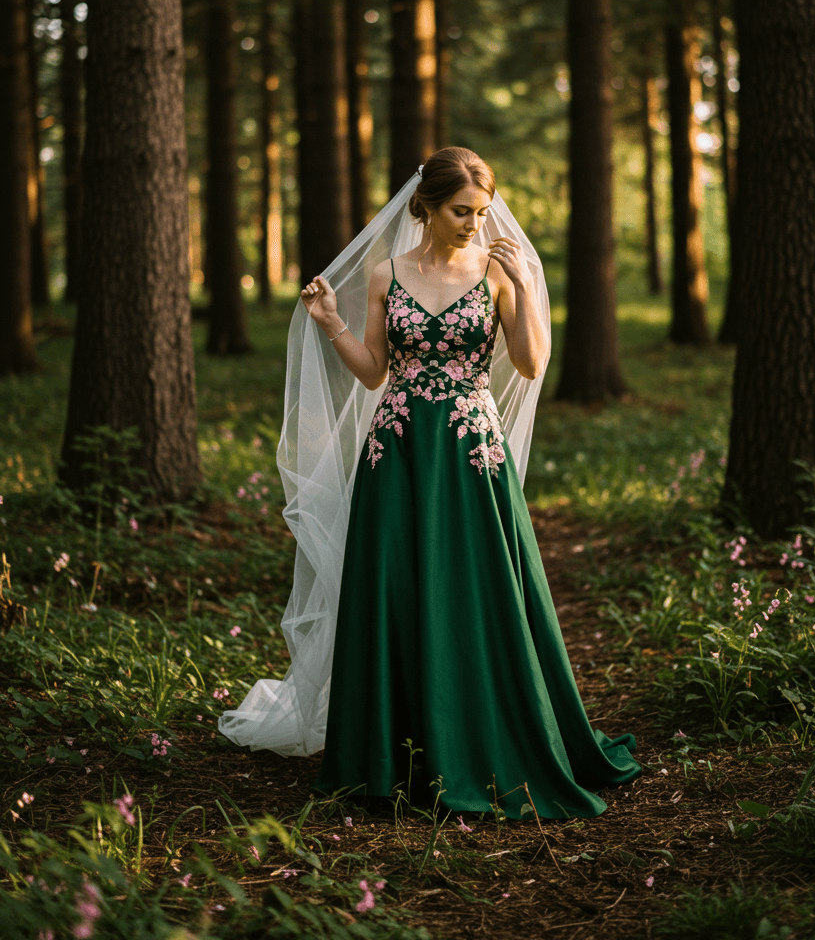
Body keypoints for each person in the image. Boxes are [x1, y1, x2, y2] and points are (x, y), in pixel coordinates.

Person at [220, 147, 640, 819]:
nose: (474, 223)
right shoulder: (389, 273)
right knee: (399, 587)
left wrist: (526, 285)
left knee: (479, 590)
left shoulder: (497, 272)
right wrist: (331, 323)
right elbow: (373, 372)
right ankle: (391, 754)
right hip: (399, 451)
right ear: (425, 208)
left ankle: (486, 735)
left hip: (472, 454)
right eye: (460, 211)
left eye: (480, 211)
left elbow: (531, 365)